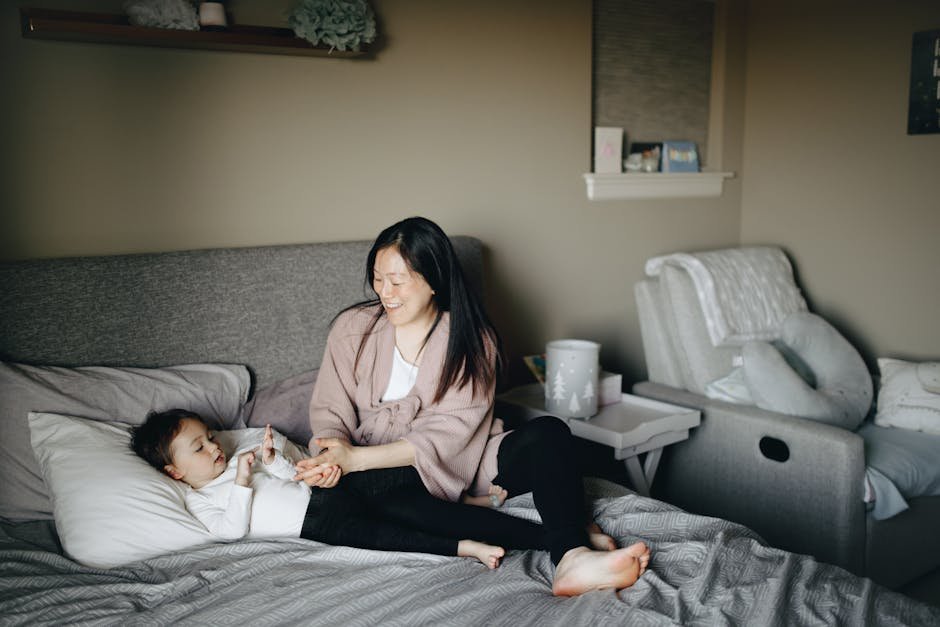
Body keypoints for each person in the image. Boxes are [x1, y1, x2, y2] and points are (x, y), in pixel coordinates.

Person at [294, 216, 651, 596]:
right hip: (375, 473)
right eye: (378, 278)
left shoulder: (471, 342)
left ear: (433, 281)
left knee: (550, 434)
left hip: (464, 459)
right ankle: (565, 542)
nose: (385, 292)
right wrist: (332, 458)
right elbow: (330, 410)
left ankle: (571, 557)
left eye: (398, 281)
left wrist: (356, 460)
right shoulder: (353, 329)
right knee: (378, 496)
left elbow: (448, 436)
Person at [130, 409, 509, 568]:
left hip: (325, 493)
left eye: (211, 437)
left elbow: (290, 475)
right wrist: (242, 483)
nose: (215, 447)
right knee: (387, 535)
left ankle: (465, 496)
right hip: (315, 525)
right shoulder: (200, 500)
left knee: (394, 483)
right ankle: (467, 548)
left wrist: (271, 458)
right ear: (175, 472)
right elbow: (229, 530)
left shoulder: (235, 459)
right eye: (200, 447)